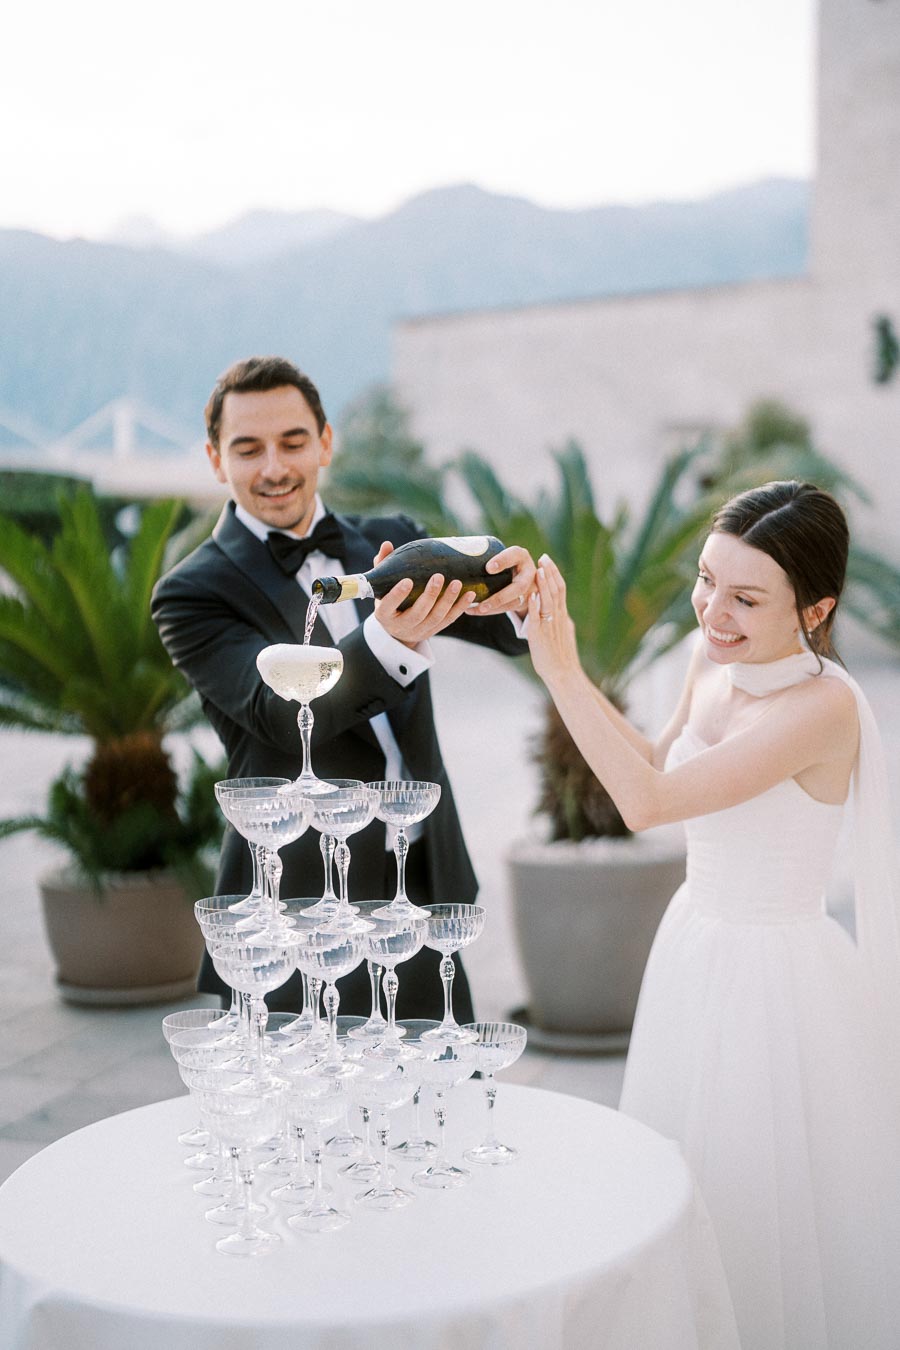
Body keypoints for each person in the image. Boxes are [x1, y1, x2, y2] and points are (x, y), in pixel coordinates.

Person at [526, 480, 900, 1350]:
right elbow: (659, 765)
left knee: (757, 1208)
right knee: (677, 1177)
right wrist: (569, 666)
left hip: (775, 983)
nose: (712, 612)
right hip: (692, 948)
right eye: (705, 580)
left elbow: (646, 804)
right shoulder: (711, 661)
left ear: (816, 610)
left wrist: (559, 671)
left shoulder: (822, 708)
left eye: (746, 598)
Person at [151, 355, 535, 1019]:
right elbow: (281, 712)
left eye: (293, 441)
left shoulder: (393, 540)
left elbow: (504, 630)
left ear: (325, 443)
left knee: (441, 1080)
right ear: (216, 460)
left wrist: (520, 595)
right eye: (248, 448)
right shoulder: (191, 592)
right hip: (293, 912)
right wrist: (389, 639)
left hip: (420, 892)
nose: (274, 467)